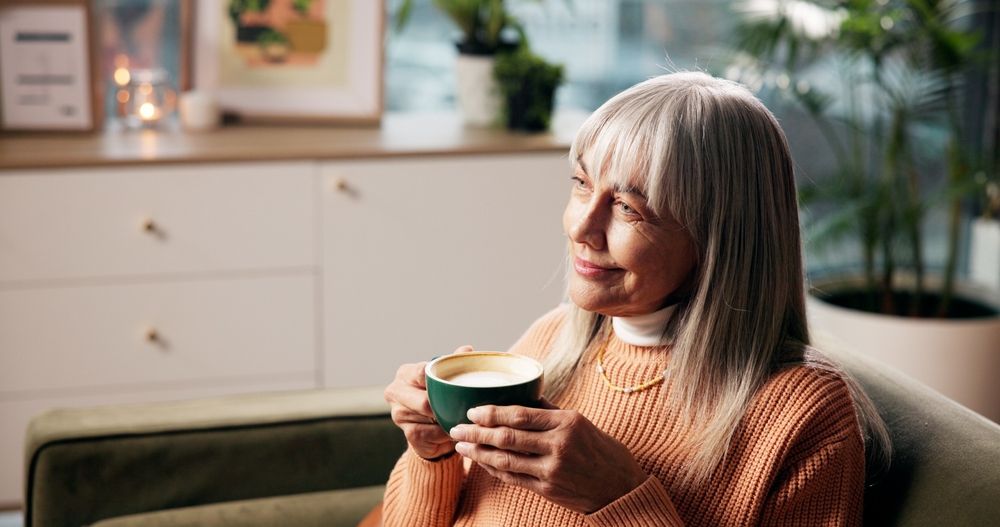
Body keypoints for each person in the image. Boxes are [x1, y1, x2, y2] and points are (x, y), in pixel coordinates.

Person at [381, 71, 890, 526]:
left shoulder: (802, 417)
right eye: (581, 184)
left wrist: (622, 500)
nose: (581, 227)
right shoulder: (552, 341)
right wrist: (431, 455)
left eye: (628, 207)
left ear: (720, 239)